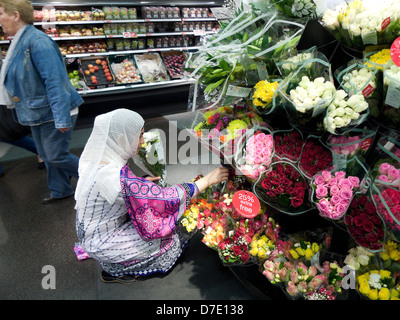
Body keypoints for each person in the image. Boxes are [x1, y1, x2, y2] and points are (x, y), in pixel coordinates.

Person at [74, 109, 229, 283]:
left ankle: (116, 260)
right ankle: (119, 269)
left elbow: (122, 193)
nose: (143, 141)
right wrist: (207, 180)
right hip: (104, 241)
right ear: (121, 139)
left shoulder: (96, 159)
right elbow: (164, 198)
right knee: (173, 241)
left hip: (95, 231)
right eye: (140, 136)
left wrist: (142, 183)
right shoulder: (117, 180)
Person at [0, 0, 84, 203]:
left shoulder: (38, 42)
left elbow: (56, 81)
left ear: (16, 15)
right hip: (36, 110)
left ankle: (97, 181)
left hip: (53, 110)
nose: (0, 20)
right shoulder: (20, 41)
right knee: (46, 155)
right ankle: (61, 189)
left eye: (1, 13)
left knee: (56, 155)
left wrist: (62, 117)